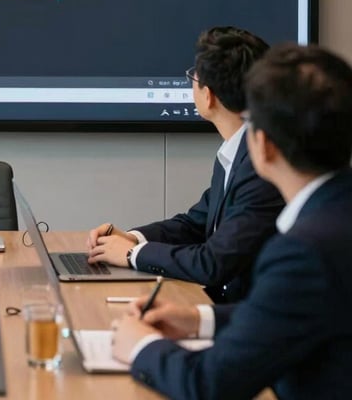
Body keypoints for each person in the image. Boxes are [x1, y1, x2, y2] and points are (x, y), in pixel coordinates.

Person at [112, 43, 352, 400]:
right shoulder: (335, 216)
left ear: (264, 146)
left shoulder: (304, 252)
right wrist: (199, 320)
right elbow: (292, 314)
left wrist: (141, 346)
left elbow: (209, 384)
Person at [87, 26, 284, 302]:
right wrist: (134, 238)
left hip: (244, 315)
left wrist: (132, 255)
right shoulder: (236, 151)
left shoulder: (261, 165)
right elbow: (195, 225)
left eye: (194, 76)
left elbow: (213, 263)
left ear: (209, 95)